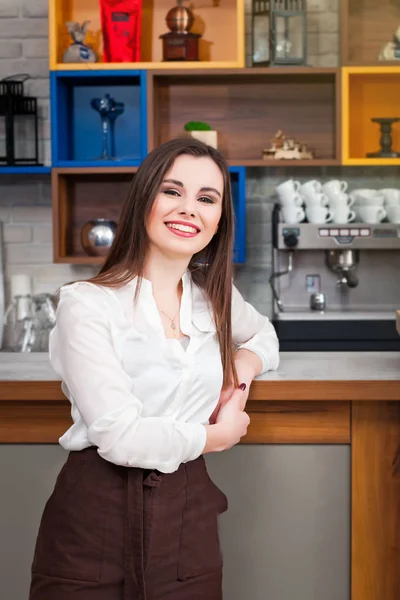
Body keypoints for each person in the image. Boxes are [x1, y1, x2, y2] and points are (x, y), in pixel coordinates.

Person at [29, 137, 279, 600]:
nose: (189, 209)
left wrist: (238, 377)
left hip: (188, 523)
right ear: (145, 197)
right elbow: (120, 435)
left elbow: (264, 336)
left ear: (219, 220)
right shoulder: (86, 304)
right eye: (173, 191)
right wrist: (216, 437)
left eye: (207, 199)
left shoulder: (215, 300)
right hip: (93, 523)